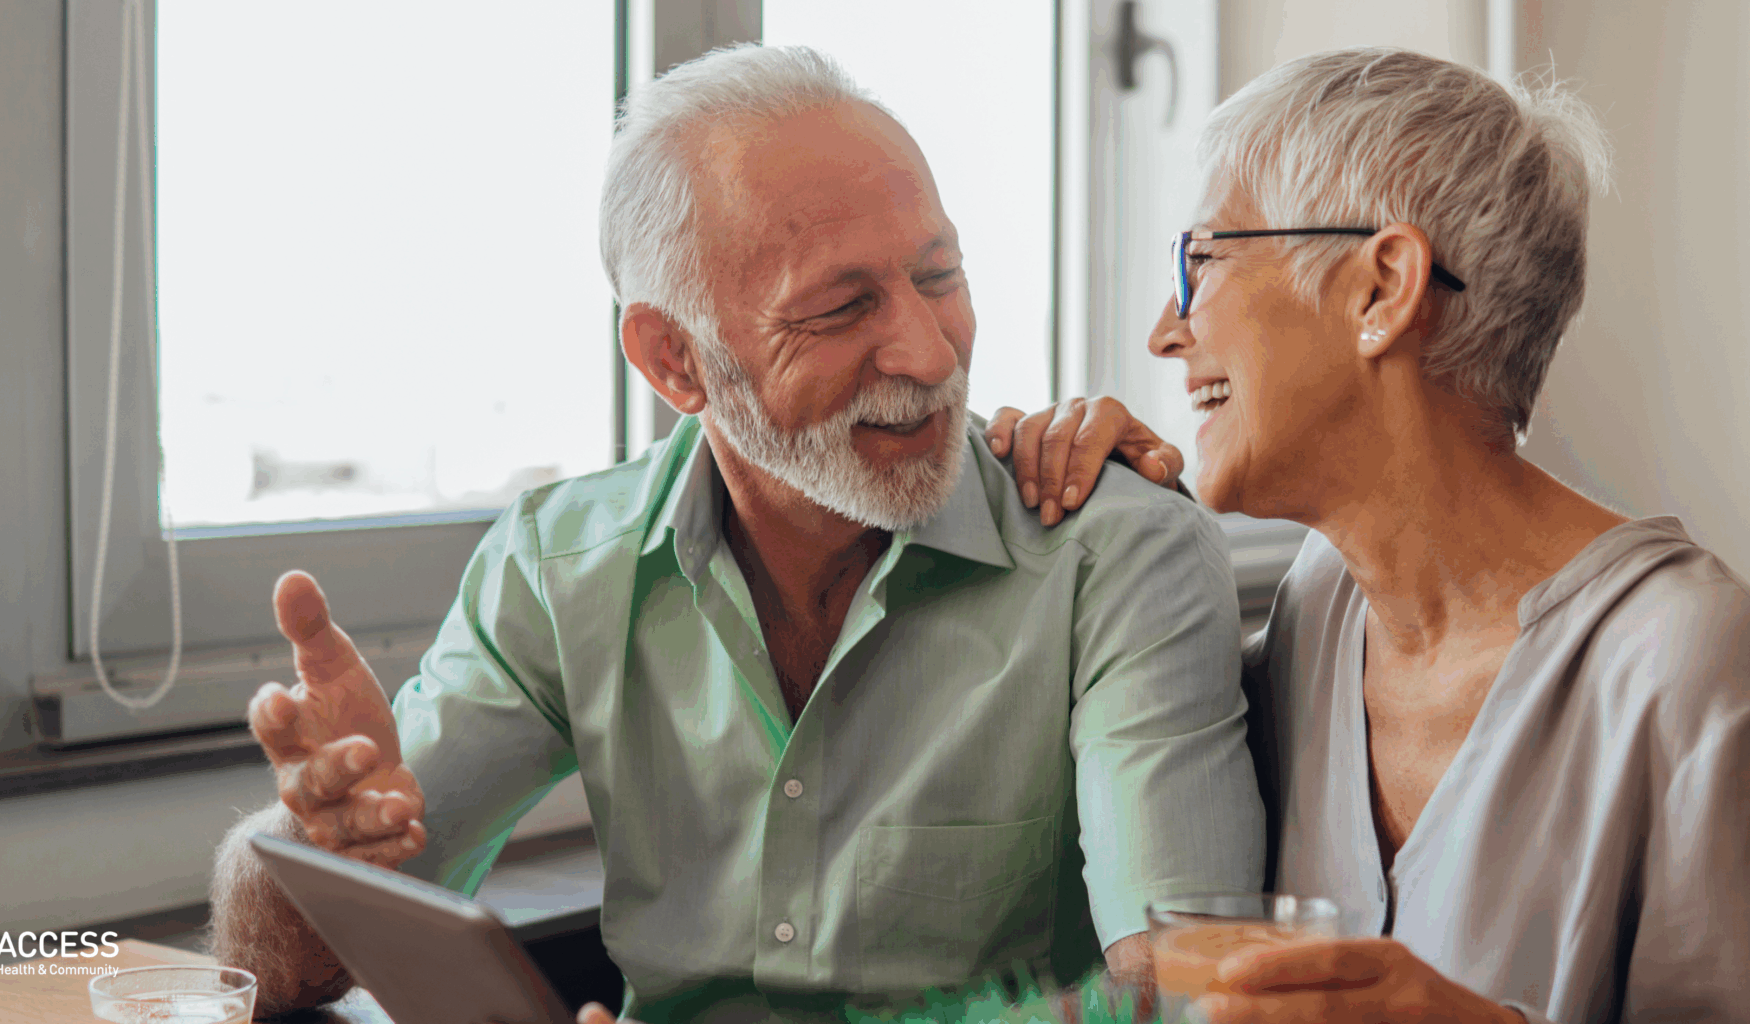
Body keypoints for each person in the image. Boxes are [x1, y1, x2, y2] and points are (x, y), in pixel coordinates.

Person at [206, 44, 1264, 1022]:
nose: (928, 352)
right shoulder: (556, 565)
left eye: (938, 276)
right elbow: (289, 970)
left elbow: (1182, 987)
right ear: (675, 362)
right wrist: (313, 842)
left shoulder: (1113, 551)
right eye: (841, 309)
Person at [990, 46, 1750, 1024]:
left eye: (1200, 264)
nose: (1163, 330)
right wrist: (1096, 510)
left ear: (1381, 287)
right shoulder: (1317, 608)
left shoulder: (1692, 668)